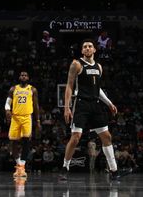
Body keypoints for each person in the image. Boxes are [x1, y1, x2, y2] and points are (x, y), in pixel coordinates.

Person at [58, 39, 130, 182]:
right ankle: (64, 168)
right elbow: (69, 86)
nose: (87, 48)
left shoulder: (99, 67)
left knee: (107, 137)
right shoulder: (77, 64)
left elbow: (98, 89)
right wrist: (66, 107)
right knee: (75, 138)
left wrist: (109, 103)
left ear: (95, 50)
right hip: (81, 104)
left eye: (90, 46)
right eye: (84, 47)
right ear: (82, 50)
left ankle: (114, 171)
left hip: (96, 105)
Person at [4, 70, 40, 180]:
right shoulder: (13, 89)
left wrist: (37, 121)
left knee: (26, 141)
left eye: (25, 75)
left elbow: (36, 106)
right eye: (22, 75)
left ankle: (22, 167)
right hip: (15, 117)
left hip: (27, 117)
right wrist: (7, 111)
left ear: (28, 78)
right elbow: (7, 103)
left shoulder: (32, 89)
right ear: (19, 77)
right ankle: (18, 164)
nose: (23, 76)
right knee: (13, 142)